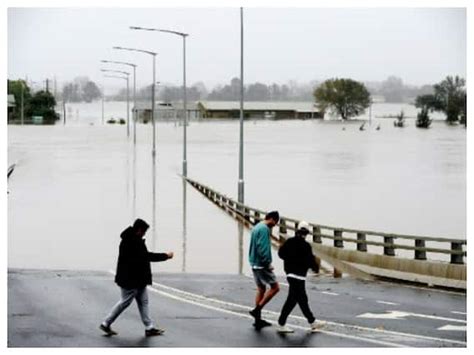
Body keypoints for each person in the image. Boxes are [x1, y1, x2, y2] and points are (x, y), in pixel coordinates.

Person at [100, 218, 174, 337]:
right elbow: (147, 256)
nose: (145, 234)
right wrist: (166, 256)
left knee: (143, 302)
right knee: (125, 302)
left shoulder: (130, 239)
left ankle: (149, 327)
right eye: (144, 231)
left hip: (137, 279)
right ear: (139, 230)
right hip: (131, 280)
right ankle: (106, 323)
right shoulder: (133, 242)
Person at [276, 220, 326, 333]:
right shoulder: (306, 246)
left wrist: (289, 260)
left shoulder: (289, 242)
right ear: (306, 233)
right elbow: (312, 262)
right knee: (298, 299)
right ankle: (282, 323)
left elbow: (281, 254)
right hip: (300, 276)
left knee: (297, 299)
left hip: (290, 274)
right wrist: (315, 268)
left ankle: (312, 322)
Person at [248, 211, 281, 330]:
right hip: (262, 264)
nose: (275, 225)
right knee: (275, 287)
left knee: (261, 289)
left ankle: (258, 320)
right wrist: (268, 263)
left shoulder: (257, 227)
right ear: (272, 219)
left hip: (254, 263)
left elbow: (254, 245)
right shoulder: (264, 229)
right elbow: (263, 247)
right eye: (275, 222)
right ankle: (257, 310)